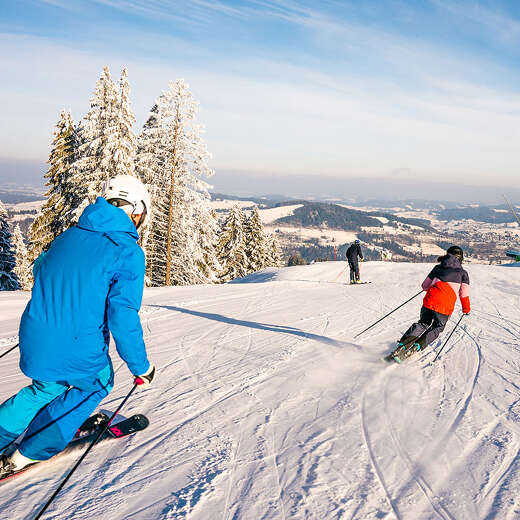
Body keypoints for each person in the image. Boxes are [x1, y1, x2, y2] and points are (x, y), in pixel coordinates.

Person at [0, 175, 155, 476]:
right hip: (74, 343)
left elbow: (44, 272)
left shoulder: (69, 235)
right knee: (97, 382)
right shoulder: (127, 251)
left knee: (46, 387)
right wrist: (140, 367)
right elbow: (122, 315)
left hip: (36, 332)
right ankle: (28, 452)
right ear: (136, 212)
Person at [388, 245, 470, 363]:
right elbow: (464, 294)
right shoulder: (463, 273)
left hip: (429, 301)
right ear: (460, 258)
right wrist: (466, 309)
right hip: (444, 307)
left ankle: (402, 346)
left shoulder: (437, 268)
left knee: (423, 323)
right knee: (437, 327)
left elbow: (424, 286)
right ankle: (416, 347)